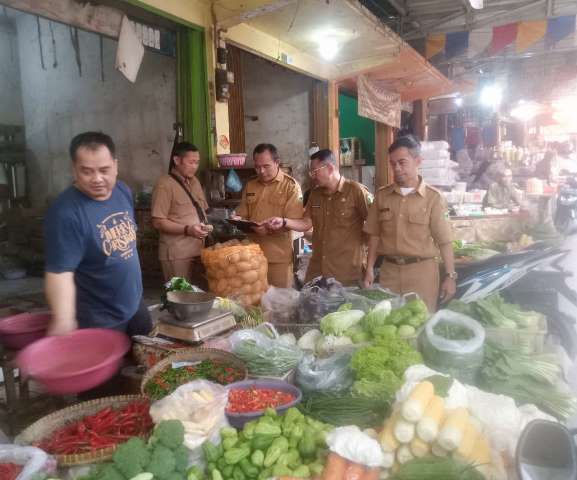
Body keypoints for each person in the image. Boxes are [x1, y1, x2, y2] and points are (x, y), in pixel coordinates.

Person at [44, 132, 151, 336]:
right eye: (87, 171)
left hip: (135, 303)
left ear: (115, 165)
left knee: (149, 353)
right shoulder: (65, 213)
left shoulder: (122, 191)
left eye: (104, 170)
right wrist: (64, 318)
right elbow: (60, 272)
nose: (97, 179)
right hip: (100, 319)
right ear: (74, 169)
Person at [362, 135, 456, 312]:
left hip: (422, 274)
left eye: (402, 162)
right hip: (389, 273)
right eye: (393, 164)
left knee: (420, 322)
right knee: (388, 322)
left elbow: (445, 241)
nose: (397, 168)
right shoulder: (382, 196)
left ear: (418, 161)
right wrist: (369, 269)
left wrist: (450, 276)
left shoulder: (433, 198)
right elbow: (374, 235)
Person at [266, 149, 371, 286]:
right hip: (317, 270)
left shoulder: (356, 191)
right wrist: (284, 221)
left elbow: (374, 226)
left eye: (315, 171)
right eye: (311, 172)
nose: (312, 176)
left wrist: (368, 263)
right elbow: (306, 222)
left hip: (346, 272)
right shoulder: (315, 194)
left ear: (330, 168)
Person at [233, 143, 304, 288]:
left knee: (279, 299)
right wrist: (237, 220)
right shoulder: (251, 185)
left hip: (278, 257)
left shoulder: (290, 186)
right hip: (251, 255)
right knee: (254, 298)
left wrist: (269, 229)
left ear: (277, 163)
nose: (261, 171)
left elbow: (295, 220)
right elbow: (242, 214)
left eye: (266, 166)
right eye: (257, 167)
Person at [151, 142, 211, 288]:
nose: (195, 166)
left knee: (199, 296)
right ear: (177, 160)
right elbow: (158, 222)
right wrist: (187, 229)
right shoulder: (165, 185)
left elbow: (202, 211)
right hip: (177, 254)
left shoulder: (195, 182)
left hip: (199, 251)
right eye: (191, 162)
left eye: (197, 162)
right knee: (180, 296)